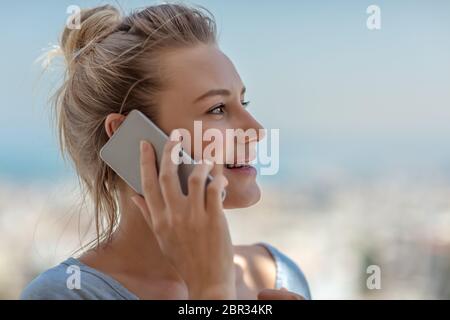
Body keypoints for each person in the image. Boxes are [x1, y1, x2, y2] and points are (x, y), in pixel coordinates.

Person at [20, 3, 310, 300]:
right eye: (218, 109)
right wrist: (212, 292)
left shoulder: (281, 276)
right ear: (131, 138)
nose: (257, 131)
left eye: (243, 104)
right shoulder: (64, 294)